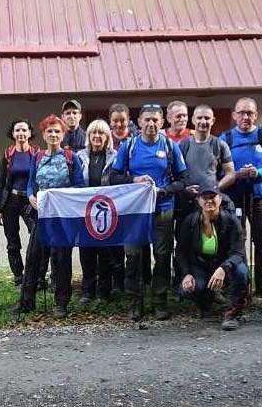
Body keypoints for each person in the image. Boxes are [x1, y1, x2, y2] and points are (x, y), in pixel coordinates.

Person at [110, 103, 188, 320]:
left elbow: (183, 179)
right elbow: (114, 177)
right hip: (135, 213)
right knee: (133, 257)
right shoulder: (129, 146)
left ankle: (160, 302)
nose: (151, 124)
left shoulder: (170, 146)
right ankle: (135, 303)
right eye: (147, 120)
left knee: (162, 257)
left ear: (162, 122)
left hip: (163, 210)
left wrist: (165, 190)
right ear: (139, 122)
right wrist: (134, 180)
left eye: (155, 120)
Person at [14, 115, 85, 316]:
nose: (53, 134)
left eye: (57, 131)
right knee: (33, 257)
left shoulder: (71, 158)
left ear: (62, 135)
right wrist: (30, 197)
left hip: (63, 218)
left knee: (61, 259)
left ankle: (61, 303)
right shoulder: (37, 157)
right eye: (49, 131)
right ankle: (26, 302)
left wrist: (62, 197)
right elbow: (31, 184)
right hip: (41, 216)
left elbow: (80, 186)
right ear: (44, 135)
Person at [221, 97, 262, 299]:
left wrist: (259, 172)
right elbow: (218, 167)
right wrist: (236, 174)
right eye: (241, 113)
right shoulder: (226, 138)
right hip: (234, 197)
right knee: (238, 239)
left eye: (250, 113)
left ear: (256, 115)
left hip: (260, 196)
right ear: (234, 115)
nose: (245, 117)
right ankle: (241, 284)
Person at [175, 187, 249, 330]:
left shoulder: (232, 221)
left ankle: (233, 314)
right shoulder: (190, 221)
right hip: (201, 266)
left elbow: (238, 252)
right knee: (188, 289)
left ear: (220, 199)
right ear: (199, 201)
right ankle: (206, 302)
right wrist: (187, 273)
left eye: (213, 197)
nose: (209, 201)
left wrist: (223, 268)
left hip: (225, 265)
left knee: (241, 273)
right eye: (205, 198)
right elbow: (181, 251)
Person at [76, 119, 123, 302]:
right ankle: (88, 290)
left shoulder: (115, 156)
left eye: (101, 133)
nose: (97, 136)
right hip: (85, 212)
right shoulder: (79, 156)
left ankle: (104, 290)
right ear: (88, 136)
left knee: (105, 251)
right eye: (93, 133)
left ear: (107, 137)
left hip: (106, 212)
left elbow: (119, 180)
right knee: (86, 251)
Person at [0, 119, 38, 287]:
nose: (21, 133)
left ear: (29, 133)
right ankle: (19, 278)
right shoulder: (8, 154)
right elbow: (0, 183)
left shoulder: (36, 153)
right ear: (12, 133)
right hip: (10, 201)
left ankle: (35, 277)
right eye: (17, 130)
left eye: (24, 130)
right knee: (12, 242)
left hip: (30, 201)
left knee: (37, 238)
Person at [177, 104, 236, 227]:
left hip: (211, 203)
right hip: (188, 202)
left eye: (207, 118)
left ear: (213, 121)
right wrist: (184, 189)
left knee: (212, 235)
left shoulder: (220, 145)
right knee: (186, 235)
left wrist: (213, 189)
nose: (203, 122)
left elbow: (231, 174)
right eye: (199, 118)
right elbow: (174, 174)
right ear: (193, 120)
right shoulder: (182, 145)